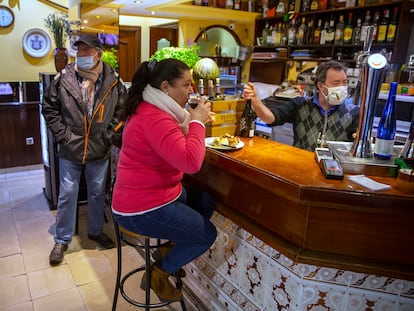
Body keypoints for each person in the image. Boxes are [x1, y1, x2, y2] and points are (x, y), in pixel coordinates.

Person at [111, 58, 217, 302]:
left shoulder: (155, 108)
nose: (191, 90)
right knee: (205, 235)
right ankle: (159, 272)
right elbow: (190, 162)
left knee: (205, 202)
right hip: (139, 209)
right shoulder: (156, 117)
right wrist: (198, 122)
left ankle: (166, 251)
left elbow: (171, 145)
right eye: (186, 85)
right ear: (167, 87)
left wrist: (193, 124)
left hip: (155, 195)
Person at [42, 33, 127, 266]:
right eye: (78, 51)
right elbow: (49, 108)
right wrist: (63, 136)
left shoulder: (113, 80)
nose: (81, 55)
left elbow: (122, 112)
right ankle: (61, 239)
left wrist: (109, 135)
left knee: (98, 193)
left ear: (98, 54)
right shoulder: (63, 78)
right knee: (67, 194)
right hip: (71, 148)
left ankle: (95, 230)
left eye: (86, 51)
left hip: (99, 148)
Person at [243, 60, 360, 151]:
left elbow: (356, 143)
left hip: (333, 171)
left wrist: (359, 139)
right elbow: (271, 118)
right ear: (320, 86)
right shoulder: (300, 104)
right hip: (301, 167)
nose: (342, 87)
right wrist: (255, 100)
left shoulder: (355, 112)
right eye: (336, 83)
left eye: (344, 83)